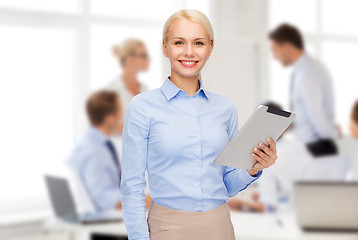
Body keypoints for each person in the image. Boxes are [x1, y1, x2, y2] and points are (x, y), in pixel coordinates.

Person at [121, 9, 278, 240]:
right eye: (179, 42)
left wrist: (253, 168)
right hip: (166, 229)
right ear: (165, 47)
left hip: (220, 228)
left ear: (210, 48)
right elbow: (132, 186)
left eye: (198, 43)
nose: (189, 51)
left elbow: (227, 184)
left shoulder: (225, 109)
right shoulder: (142, 107)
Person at [68, 91, 151, 212]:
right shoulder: (96, 151)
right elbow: (105, 198)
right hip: (110, 222)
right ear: (109, 119)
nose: (123, 114)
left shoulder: (89, 143)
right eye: (119, 110)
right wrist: (152, 200)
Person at [269, 23, 338, 157]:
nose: (274, 56)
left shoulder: (308, 73)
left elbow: (316, 114)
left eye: (275, 50)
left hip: (315, 150)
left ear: (288, 47)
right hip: (309, 147)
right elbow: (306, 112)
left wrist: (333, 136)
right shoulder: (302, 71)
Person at [106, 38, 150, 119]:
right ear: (129, 59)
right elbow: (107, 128)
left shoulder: (144, 89)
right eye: (144, 56)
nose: (148, 60)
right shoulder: (111, 91)